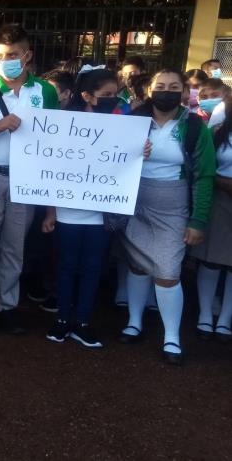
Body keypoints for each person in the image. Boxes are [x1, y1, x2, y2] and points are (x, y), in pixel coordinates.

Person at [119, 69, 216, 365]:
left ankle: (171, 335)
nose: (166, 91)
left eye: (174, 86)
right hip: (135, 201)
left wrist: (197, 220)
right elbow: (110, 156)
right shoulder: (134, 120)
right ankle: (134, 321)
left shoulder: (195, 127)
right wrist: (132, 153)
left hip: (173, 207)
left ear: (184, 91)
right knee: (136, 264)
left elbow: (204, 175)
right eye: (160, 86)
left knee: (168, 270)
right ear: (149, 89)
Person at [42, 69, 143, 348]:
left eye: (116, 94)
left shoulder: (123, 125)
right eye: (106, 95)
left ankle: (83, 321)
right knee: (66, 266)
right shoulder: (64, 124)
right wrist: (50, 212)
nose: (114, 100)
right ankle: (63, 319)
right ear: (87, 96)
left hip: (102, 213)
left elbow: (128, 162)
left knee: (93, 267)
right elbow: (49, 169)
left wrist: (140, 150)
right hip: (68, 211)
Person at [0, 24, 58, 337]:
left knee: (13, 248)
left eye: (13, 55)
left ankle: (7, 306)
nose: (6, 60)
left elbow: (56, 138)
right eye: (0, 56)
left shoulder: (45, 92)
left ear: (27, 56)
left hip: (25, 180)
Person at [191, 97, 232, 342]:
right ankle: (205, 314)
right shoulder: (218, 131)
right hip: (221, 199)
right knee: (212, 260)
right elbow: (205, 166)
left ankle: (226, 318)